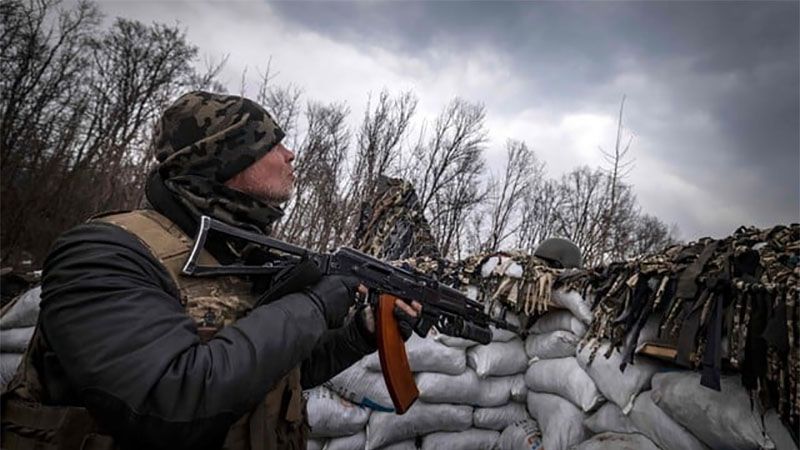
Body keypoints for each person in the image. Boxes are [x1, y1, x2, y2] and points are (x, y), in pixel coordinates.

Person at [1, 91, 421, 450]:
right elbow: (168, 401)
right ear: (227, 157)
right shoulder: (106, 250)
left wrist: (362, 333)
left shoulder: (233, 254)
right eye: (272, 143)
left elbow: (274, 373)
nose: (290, 154)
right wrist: (313, 306)